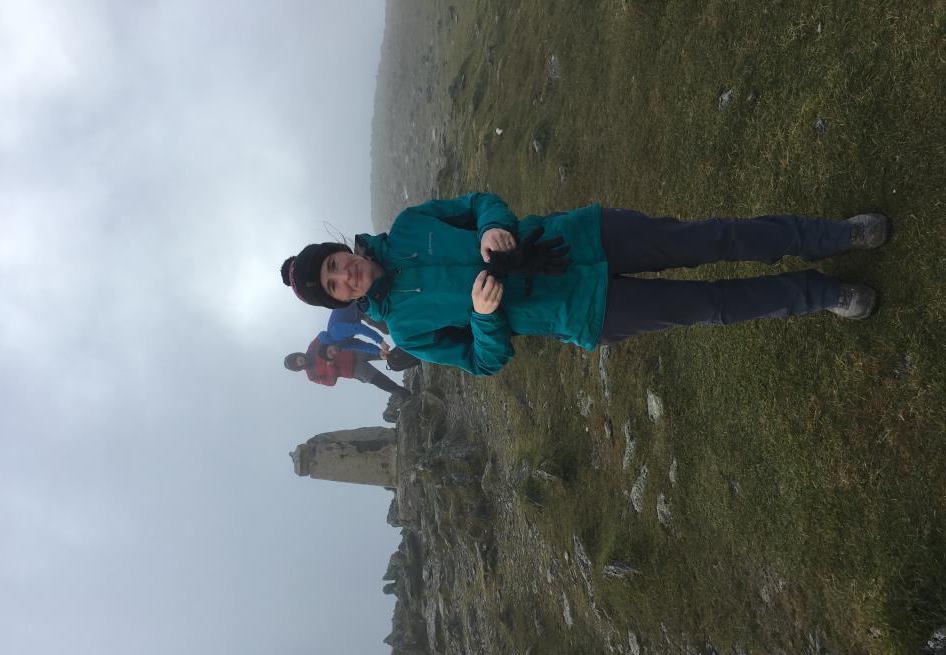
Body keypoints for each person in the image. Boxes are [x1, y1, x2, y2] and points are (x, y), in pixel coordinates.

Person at [280, 193, 887, 376]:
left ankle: (832, 234)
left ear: (341, 250)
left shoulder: (411, 225)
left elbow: (482, 202)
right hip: (584, 312)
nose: (343, 276)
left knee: (712, 239)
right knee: (711, 306)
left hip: (582, 238)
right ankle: (821, 294)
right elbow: (483, 361)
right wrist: (486, 317)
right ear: (343, 300)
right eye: (334, 286)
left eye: (334, 264)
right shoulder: (407, 330)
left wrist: (493, 228)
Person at [284, 334, 412, 400]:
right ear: (298, 368)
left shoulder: (312, 347)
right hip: (354, 370)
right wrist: (330, 367)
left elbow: (323, 335)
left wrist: (336, 341)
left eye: (297, 358)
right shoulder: (312, 376)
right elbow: (330, 382)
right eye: (297, 363)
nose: (299, 360)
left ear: (298, 354)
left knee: (387, 355)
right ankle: (403, 393)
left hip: (353, 351)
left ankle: (412, 350)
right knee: (378, 380)